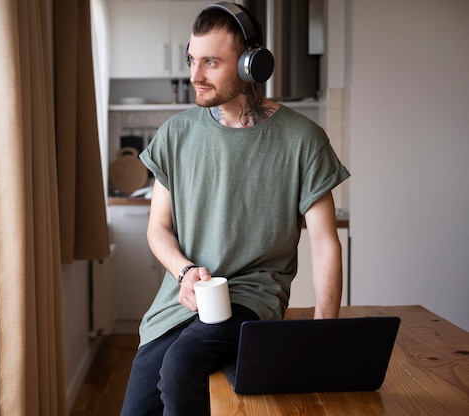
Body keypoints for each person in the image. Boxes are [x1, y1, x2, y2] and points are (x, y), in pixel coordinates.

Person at [120, 2, 350, 415]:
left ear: (250, 65)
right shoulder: (176, 134)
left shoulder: (303, 140)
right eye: (192, 59)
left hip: (251, 297)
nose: (194, 75)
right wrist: (184, 271)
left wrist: (324, 334)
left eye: (210, 62)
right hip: (180, 300)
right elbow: (158, 227)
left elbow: (325, 244)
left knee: (181, 366)